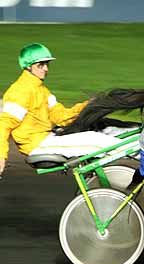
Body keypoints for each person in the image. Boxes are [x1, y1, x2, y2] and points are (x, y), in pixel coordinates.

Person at [0, 43, 120, 177]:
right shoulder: (20, 91)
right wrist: (1, 155)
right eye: (40, 65)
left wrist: (87, 105)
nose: (46, 69)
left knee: (100, 137)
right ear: (28, 66)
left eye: (47, 64)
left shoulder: (42, 90)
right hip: (37, 145)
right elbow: (4, 125)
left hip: (48, 138)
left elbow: (62, 117)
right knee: (99, 141)